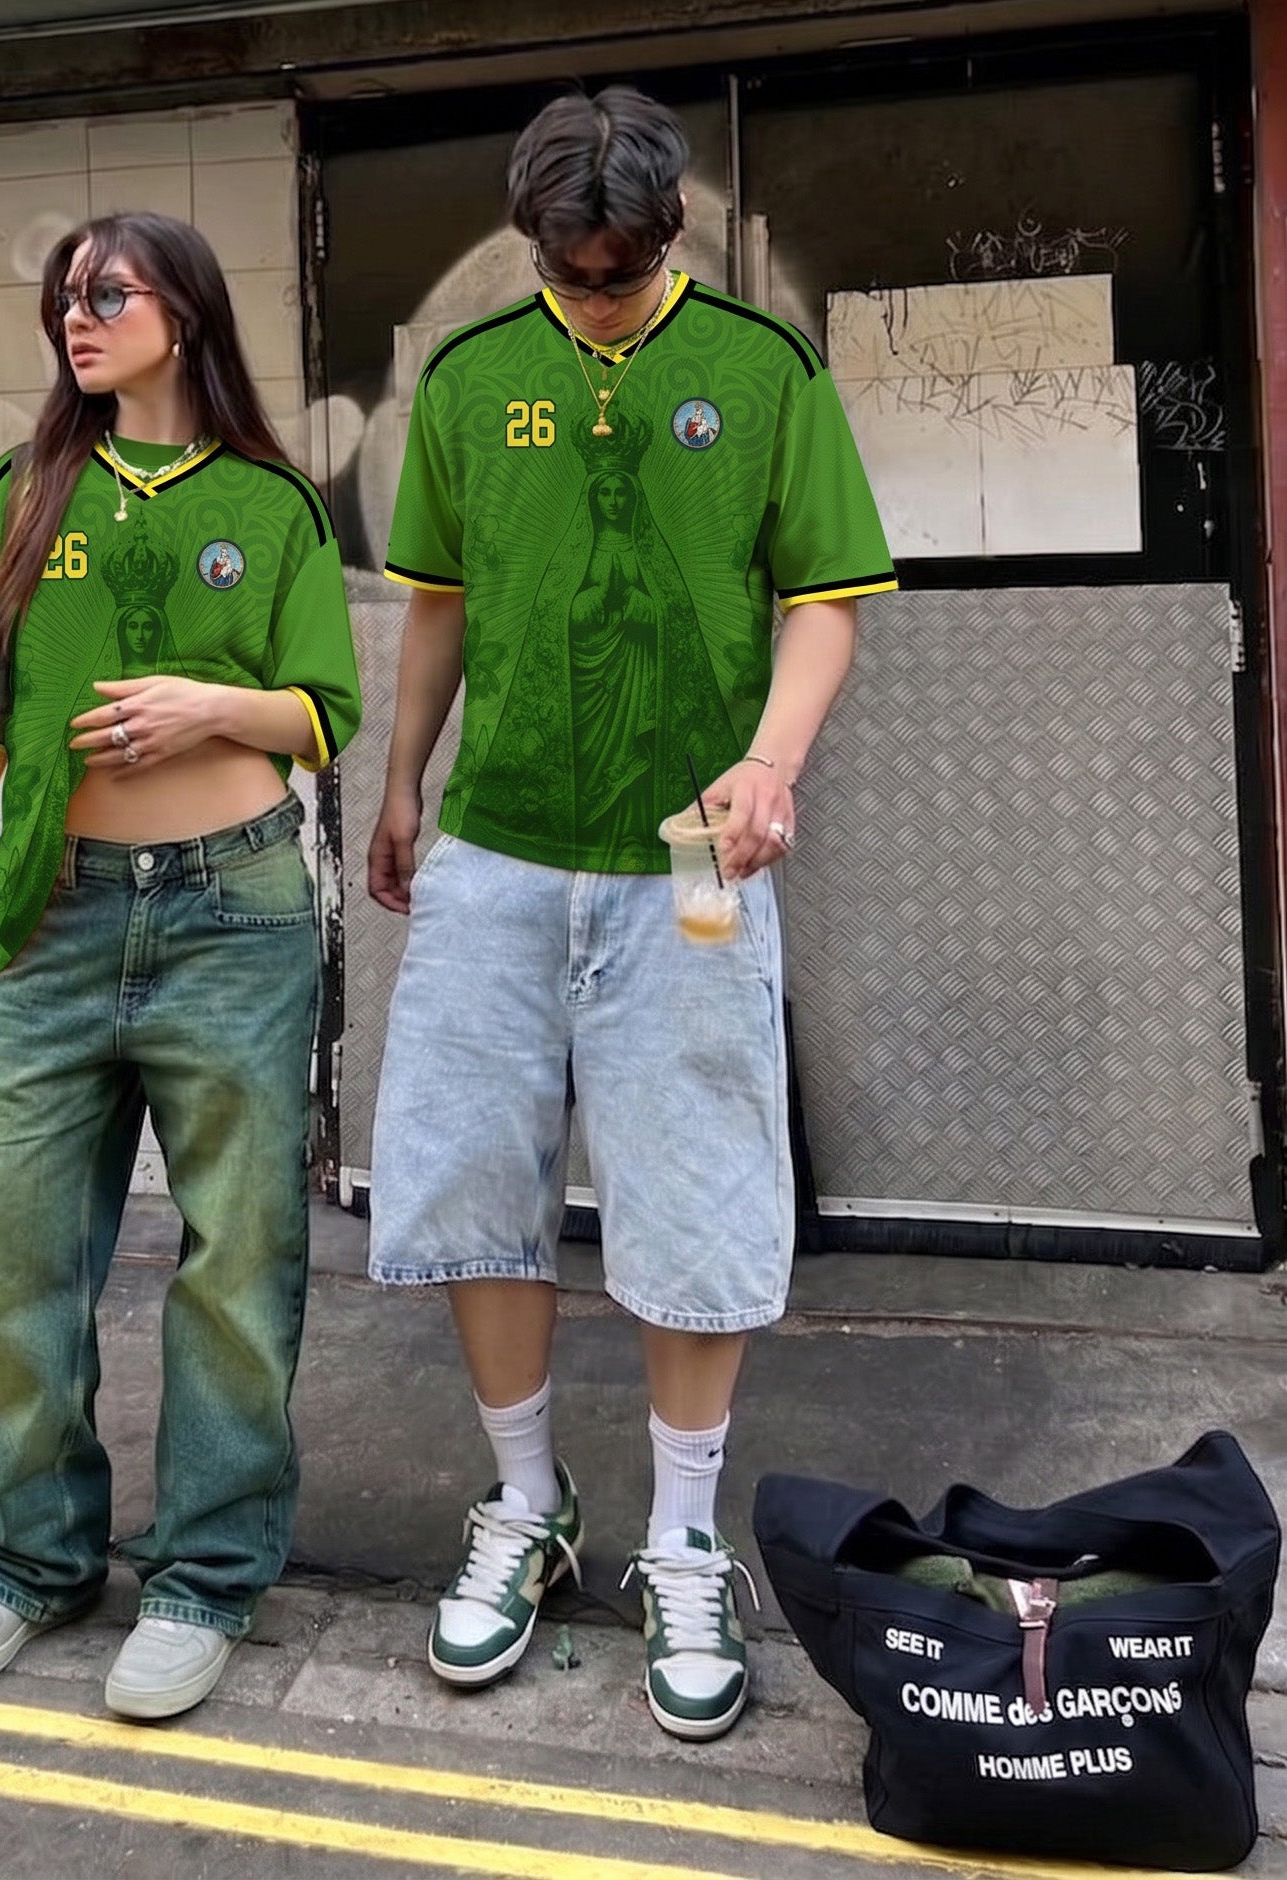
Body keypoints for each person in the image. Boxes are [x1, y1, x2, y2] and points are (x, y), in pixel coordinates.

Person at [366, 87, 894, 1741]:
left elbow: (825, 598)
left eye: (621, 269)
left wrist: (769, 762)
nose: (596, 294)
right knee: (469, 1175)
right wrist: (401, 783)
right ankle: (528, 1507)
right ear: (535, 245)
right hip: (499, 848)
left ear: (672, 236)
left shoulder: (761, 372)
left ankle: (680, 1534)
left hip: (688, 861)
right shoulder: (468, 382)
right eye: (571, 271)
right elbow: (437, 604)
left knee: (690, 1188)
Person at [0, 210, 360, 1720]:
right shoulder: (24, 493)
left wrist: (213, 704)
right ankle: (27, 1558)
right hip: (53, 923)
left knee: (238, 1262)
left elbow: (324, 708)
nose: (80, 318)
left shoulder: (271, 504)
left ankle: (204, 1579)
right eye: (67, 298)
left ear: (184, 314)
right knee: (11, 1255)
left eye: (109, 293)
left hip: (235, 918)